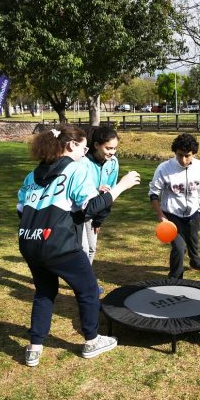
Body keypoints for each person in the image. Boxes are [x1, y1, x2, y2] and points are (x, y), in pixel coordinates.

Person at [17, 125, 140, 366]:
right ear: (72, 146)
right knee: (88, 290)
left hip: (30, 242)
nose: (85, 153)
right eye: (83, 148)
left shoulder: (32, 174)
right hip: (59, 245)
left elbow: (21, 210)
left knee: (44, 292)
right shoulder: (76, 168)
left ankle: (35, 347)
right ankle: (92, 341)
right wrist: (121, 187)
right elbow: (91, 208)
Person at [149, 133, 200, 279]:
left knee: (193, 240)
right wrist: (160, 215)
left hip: (193, 213)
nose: (183, 160)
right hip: (171, 216)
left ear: (194, 153)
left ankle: (196, 262)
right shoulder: (164, 168)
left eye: (188, 155)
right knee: (179, 247)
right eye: (180, 155)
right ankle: (175, 277)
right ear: (175, 152)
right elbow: (153, 194)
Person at [80, 126, 121, 293]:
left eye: (115, 148)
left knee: (91, 249)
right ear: (96, 145)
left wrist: (100, 218)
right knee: (82, 250)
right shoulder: (83, 162)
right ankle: (85, 284)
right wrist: (96, 190)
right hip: (78, 212)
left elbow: (110, 194)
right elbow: (79, 191)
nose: (112, 152)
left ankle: (84, 280)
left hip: (95, 212)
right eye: (108, 148)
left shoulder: (113, 163)